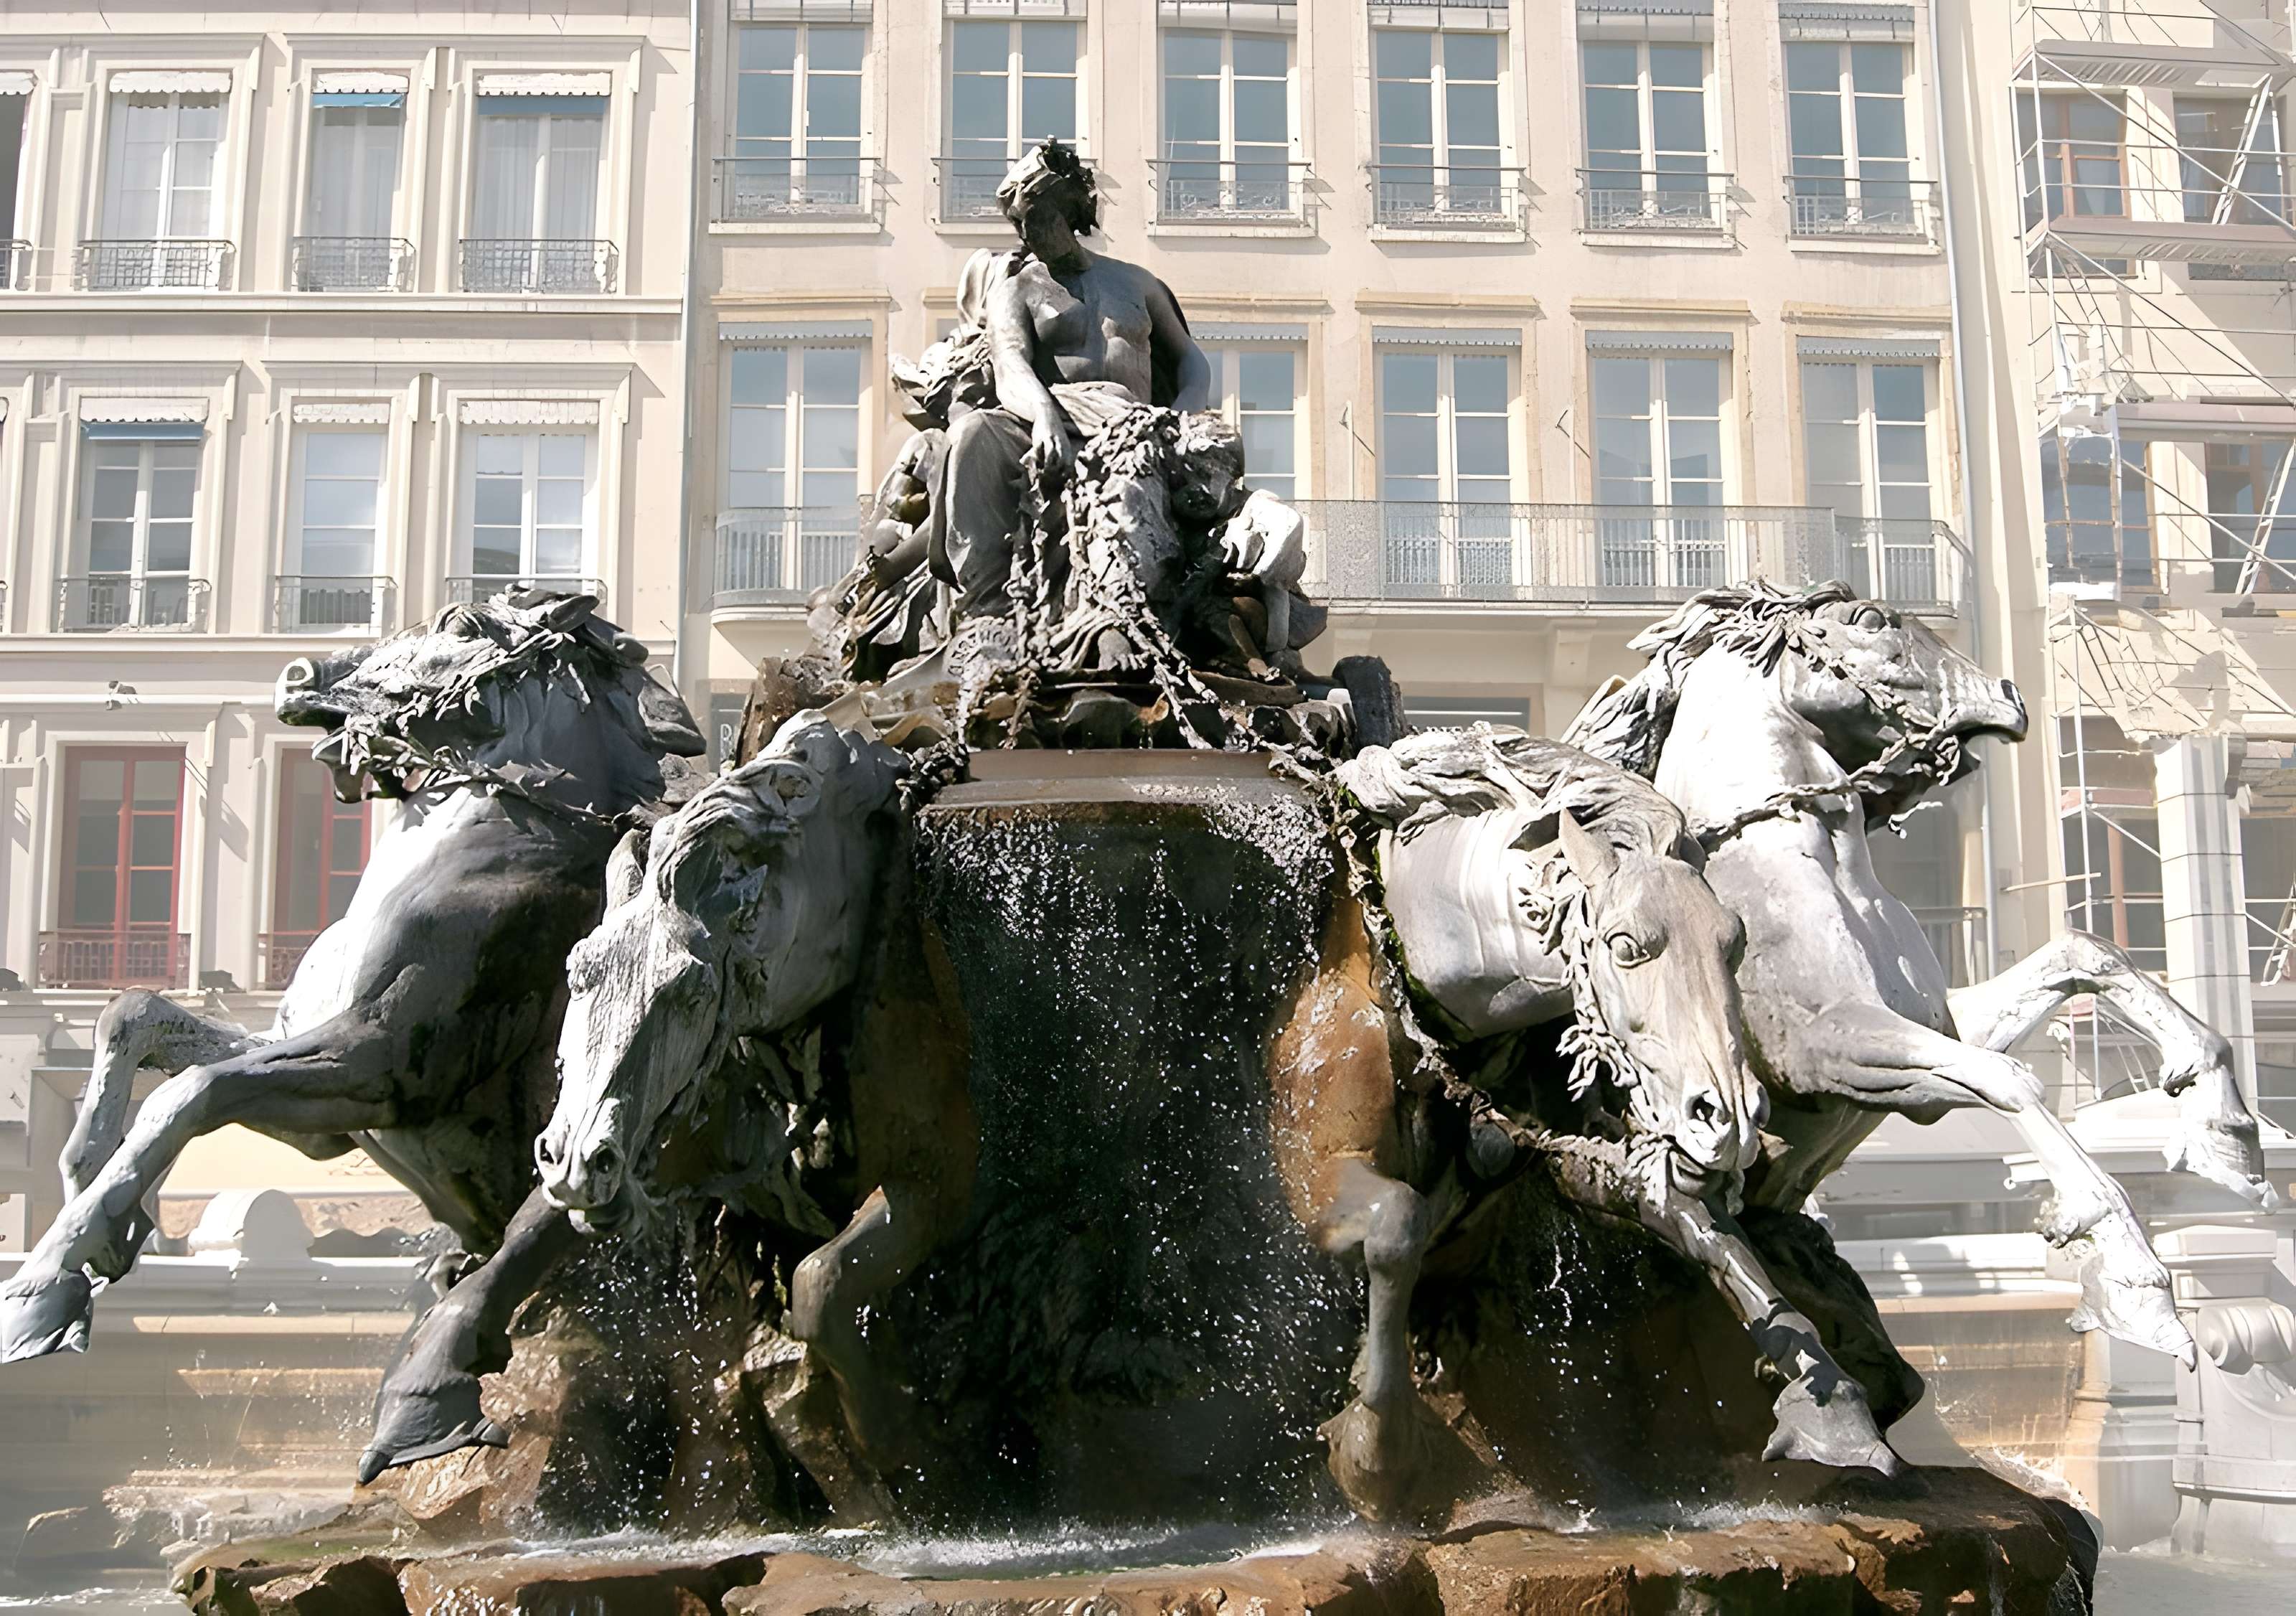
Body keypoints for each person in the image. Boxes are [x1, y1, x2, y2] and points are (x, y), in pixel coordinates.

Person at [926, 142, 1211, 627]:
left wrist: (1181, 416)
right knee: (971, 433)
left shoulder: (1137, 283)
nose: (1025, 234)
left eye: (1034, 219)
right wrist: (1043, 417)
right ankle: (986, 605)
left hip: (1133, 422)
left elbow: (1191, 360)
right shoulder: (1016, 289)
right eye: (1017, 224)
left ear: (1067, 211)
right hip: (1052, 416)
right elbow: (1010, 362)